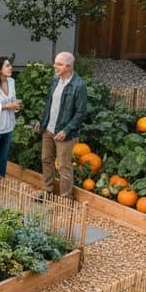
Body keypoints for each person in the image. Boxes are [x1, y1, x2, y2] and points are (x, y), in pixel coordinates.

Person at [33, 51, 88, 198]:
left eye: (58, 64)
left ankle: (65, 198)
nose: (54, 66)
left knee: (64, 167)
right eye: (55, 63)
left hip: (64, 134)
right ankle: (48, 191)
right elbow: (49, 105)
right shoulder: (55, 80)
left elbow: (81, 113)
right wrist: (42, 122)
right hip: (48, 130)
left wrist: (66, 130)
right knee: (46, 160)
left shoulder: (78, 85)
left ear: (68, 66)